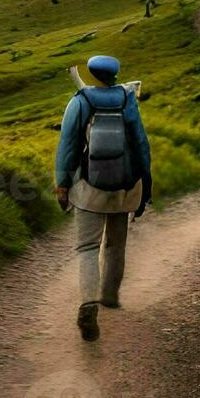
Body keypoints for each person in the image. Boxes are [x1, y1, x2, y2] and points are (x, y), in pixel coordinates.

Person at [54, 55, 153, 341]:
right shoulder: (128, 99)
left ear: (92, 73)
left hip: (90, 189)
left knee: (87, 247)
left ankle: (88, 304)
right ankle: (110, 296)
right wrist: (145, 185)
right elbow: (140, 144)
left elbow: (69, 145)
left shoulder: (81, 101)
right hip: (125, 187)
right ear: (116, 74)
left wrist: (62, 184)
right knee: (116, 245)